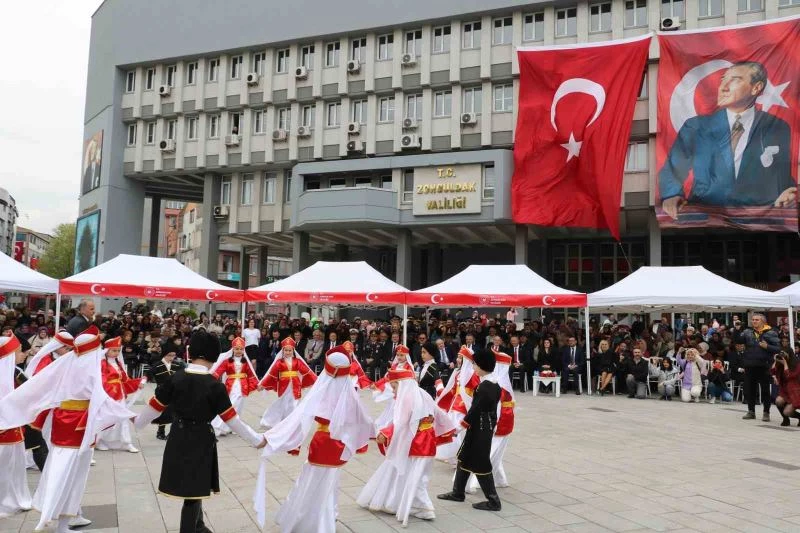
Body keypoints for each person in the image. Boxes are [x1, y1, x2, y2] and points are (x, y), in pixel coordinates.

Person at [0, 326, 135, 533]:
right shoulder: (86, 369)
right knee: (68, 474)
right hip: (77, 426)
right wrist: (128, 414)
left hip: (67, 423)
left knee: (68, 471)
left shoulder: (69, 363)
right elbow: (101, 399)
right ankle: (58, 521)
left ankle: (73, 514)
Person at [134, 329, 265, 533]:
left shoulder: (176, 378)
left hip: (177, 436)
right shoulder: (214, 386)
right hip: (201, 439)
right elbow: (232, 420)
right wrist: (256, 440)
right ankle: (190, 529)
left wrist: (136, 423)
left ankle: (199, 526)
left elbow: (154, 408)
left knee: (193, 486)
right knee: (193, 491)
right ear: (213, 355)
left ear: (191, 352)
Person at [253, 346, 374, 532]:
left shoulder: (321, 392)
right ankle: (325, 519)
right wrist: (377, 434)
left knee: (310, 481)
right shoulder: (350, 394)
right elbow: (365, 421)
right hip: (339, 445)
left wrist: (272, 437)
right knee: (330, 483)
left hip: (321, 442)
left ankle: (306, 519)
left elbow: (297, 419)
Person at [660, 61, 794, 218]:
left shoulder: (776, 127)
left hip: (758, 220)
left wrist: (790, 192)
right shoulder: (696, 127)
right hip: (706, 218)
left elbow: (780, 174)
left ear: (756, 88)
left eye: (735, 80)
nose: (723, 87)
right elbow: (673, 168)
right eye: (723, 80)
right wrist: (672, 194)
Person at [357, 366, 456, 525]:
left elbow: (401, 423)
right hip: (426, 440)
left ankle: (423, 507)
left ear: (402, 384)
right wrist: (449, 428)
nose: (393, 391)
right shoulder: (422, 393)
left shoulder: (407, 398)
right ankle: (400, 503)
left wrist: (386, 433)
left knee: (413, 475)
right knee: (414, 474)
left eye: (394, 387)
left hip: (416, 442)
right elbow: (438, 413)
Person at [437, 348, 502, 511]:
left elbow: (474, 411)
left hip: (481, 428)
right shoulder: (493, 384)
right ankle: (458, 492)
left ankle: (494, 501)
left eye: (475, 364)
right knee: (464, 456)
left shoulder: (485, 387)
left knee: (481, 463)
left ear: (482, 365)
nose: (473, 367)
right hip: (482, 427)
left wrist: (458, 428)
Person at [467, 348, 514, 493]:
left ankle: (477, 482)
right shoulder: (501, 382)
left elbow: (496, 407)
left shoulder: (497, 383)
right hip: (504, 419)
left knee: (491, 451)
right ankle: (498, 480)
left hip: (500, 421)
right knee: (495, 451)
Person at [0, 336, 32, 519]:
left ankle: (15, 498)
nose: (23, 354)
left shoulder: (12, 374)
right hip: (4, 432)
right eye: (19, 351)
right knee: (4, 468)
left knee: (15, 467)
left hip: (14, 429)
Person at [96, 336, 146, 452]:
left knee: (122, 419)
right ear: (106, 350)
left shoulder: (118, 363)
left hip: (120, 395)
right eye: (114, 350)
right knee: (107, 418)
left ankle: (126, 442)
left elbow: (125, 380)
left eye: (118, 350)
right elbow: (101, 380)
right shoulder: (102, 363)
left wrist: (138, 382)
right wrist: (109, 392)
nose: (116, 353)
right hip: (108, 395)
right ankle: (100, 441)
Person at [257, 337, 316, 433]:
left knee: (294, 404)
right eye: (286, 350)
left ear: (293, 351)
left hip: (295, 385)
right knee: (282, 403)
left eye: (290, 350)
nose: (288, 352)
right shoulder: (279, 362)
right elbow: (271, 374)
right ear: (283, 351)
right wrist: (263, 384)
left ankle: (291, 423)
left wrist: (316, 380)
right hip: (283, 386)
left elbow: (307, 371)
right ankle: (271, 421)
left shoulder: (298, 361)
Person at [210, 337, 259, 436]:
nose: (239, 351)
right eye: (236, 349)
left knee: (238, 406)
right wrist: (209, 380)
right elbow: (218, 372)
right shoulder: (227, 361)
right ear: (233, 349)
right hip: (230, 386)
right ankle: (218, 425)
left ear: (243, 350)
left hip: (242, 387)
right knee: (230, 406)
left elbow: (251, 375)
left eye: (241, 349)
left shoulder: (246, 362)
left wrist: (255, 385)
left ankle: (233, 427)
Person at [741, 313, 779, 421]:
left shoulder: (771, 333)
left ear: (763, 321)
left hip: (764, 365)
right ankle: (751, 411)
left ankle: (766, 412)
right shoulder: (748, 332)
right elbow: (738, 340)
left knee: (765, 390)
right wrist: (737, 329)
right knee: (750, 390)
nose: (754, 321)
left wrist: (767, 346)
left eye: (757, 320)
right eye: (753, 319)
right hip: (750, 365)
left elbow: (778, 348)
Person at [146, 347, 186, 440]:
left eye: (173, 355)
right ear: (164, 355)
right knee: (163, 411)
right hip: (161, 391)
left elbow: (184, 375)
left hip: (175, 391)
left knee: (175, 412)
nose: (171, 358)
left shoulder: (178, 365)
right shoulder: (157, 365)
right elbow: (148, 374)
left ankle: (172, 433)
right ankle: (160, 432)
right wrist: (143, 382)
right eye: (169, 355)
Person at [773, 351, 800, 427]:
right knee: (778, 401)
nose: (783, 357)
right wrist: (776, 360)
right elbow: (772, 370)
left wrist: (785, 363)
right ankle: (785, 419)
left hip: (795, 392)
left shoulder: (797, 365)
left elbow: (788, 375)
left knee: (787, 412)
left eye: (784, 354)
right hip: (785, 391)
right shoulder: (781, 365)